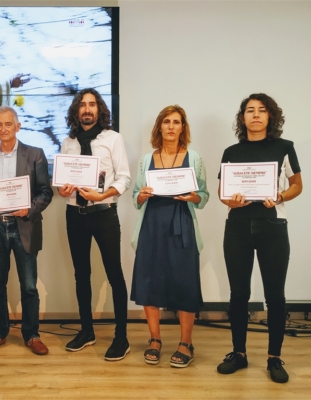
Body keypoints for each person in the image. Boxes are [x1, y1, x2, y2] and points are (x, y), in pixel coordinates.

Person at [216, 93, 302, 383]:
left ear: (270, 116)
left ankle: (274, 357)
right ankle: (238, 353)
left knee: (275, 295)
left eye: (261, 110)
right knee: (239, 294)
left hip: (272, 226)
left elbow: (297, 185)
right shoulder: (231, 152)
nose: (255, 115)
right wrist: (232, 201)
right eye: (250, 110)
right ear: (242, 118)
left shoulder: (284, 147)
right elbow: (222, 194)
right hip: (237, 227)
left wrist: (280, 195)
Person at [130, 105, 209, 368]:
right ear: (160, 127)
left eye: (177, 122)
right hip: (151, 226)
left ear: (183, 128)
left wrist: (194, 196)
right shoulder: (145, 160)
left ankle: (186, 343)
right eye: (167, 122)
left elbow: (204, 196)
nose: (172, 127)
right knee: (149, 281)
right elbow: (136, 197)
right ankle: (155, 339)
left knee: (185, 283)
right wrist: (140, 196)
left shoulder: (194, 157)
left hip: (182, 224)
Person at [59, 88, 131, 361]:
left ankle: (121, 337)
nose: (87, 109)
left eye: (92, 104)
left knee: (115, 275)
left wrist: (103, 194)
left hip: (104, 213)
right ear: (77, 111)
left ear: (99, 110)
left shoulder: (112, 139)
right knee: (81, 275)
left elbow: (123, 178)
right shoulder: (68, 142)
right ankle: (87, 331)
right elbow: (61, 184)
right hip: (74, 214)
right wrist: (62, 190)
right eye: (83, 105)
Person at [0, 106, 53, 355]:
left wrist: (30, 209)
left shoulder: (35, 154)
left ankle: (31, 335)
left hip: (24, 226)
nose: (3, 129)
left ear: (18, 126)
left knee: (29, 286)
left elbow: (46, 192)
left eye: (8, 124)